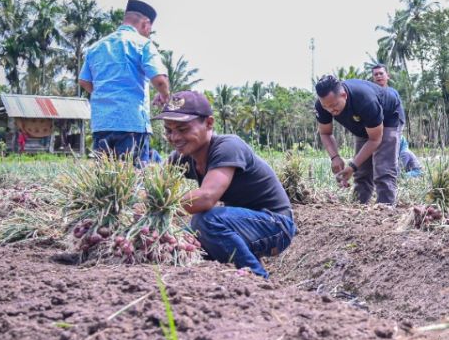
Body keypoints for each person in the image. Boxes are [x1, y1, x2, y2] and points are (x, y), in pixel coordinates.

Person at [159, 91, 295, 278]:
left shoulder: (228, 146)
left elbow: (207, 197)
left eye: (182, 129)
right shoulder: (182, 157)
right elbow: (154, 183)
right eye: (168, 130)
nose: (174, 137)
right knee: (180, 238)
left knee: (205, 221)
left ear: (209, 123)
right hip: (241, 223)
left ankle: (257, 279)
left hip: (276, 225)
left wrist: (158, 206)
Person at [79, 0, 170, 164]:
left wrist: (105, 93)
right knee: (133, 179)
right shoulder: (143, 44)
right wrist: (164, 95)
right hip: (131, 123)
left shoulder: (96, 47)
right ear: (146, 24)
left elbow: (84, 81)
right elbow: (160, 80)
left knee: (106, 178)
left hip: (102, 124)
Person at [314, 75, 404, 204]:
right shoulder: (322, 105)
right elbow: (325, 133)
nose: (330, 110)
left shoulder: (365, 100)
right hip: (363, 124)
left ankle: (386, 208)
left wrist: (352, 166)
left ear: (344, 95)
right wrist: (335, 157)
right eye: (326, 107)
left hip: (389, 116)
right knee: (361, 172)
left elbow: (375, 139)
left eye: (334, 105)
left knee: (383, 168)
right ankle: (360, 206)